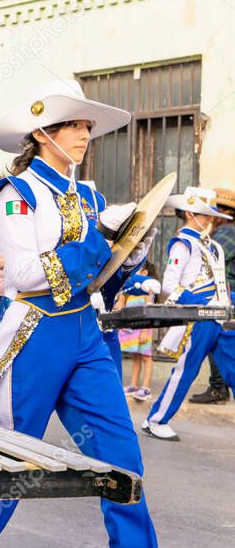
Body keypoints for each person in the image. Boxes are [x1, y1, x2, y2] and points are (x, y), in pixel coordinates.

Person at [0, 80, 205, 548]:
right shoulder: (13, 193)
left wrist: (130, 249)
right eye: (72, 126)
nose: (84, 135)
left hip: (86, 332)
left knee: (121, 458)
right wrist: (100, 239)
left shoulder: (91, 198)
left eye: (86, 127)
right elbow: (30, 275)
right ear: (41, 133)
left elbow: (98, 274)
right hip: (33, 333)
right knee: (13, 455)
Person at [141, 188, 234, 441]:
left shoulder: (210, 245)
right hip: (200, 318)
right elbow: (171, 284)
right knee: (186, 371)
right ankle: (156, 419)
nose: (211, 220)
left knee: (233, 369)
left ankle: (157, 419)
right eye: (205, 216)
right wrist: (200, 302)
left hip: (218, 315)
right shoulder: (183, 244)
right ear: (192, 215)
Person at [190, 187, 235, 404]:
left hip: (226, 294)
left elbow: (213, 260)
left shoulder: (227, 232)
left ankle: (218, 389)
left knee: (216, 342)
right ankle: (218, 388)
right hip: (227, 293)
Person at [116, 262, 160, 401]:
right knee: (135, 356)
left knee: (146, 357)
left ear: (145, 273)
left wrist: (146, 332)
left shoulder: (147, 291)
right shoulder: (130, 290)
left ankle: (146, 387)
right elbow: (120, 306)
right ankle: (134, 385)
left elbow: (149, 311)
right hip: (132, 329)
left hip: (144, 329)